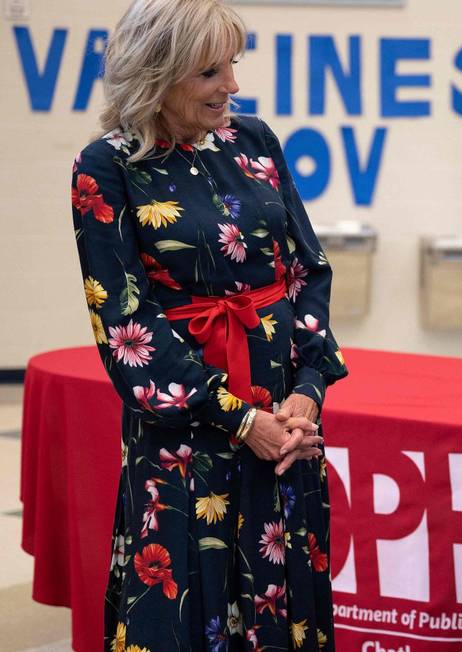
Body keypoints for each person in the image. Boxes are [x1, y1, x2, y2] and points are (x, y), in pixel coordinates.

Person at [70, 1, 348, 649]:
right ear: (155, 76)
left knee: (284, 602)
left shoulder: (255, 140)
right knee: (193, 601)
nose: (232, 85)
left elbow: (308, 269)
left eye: (233, 66)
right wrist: (243, 422)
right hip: (188, 439)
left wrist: (306, 392)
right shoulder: (106, 167)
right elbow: (125, 324)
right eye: (209, 72)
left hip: (287, 427)